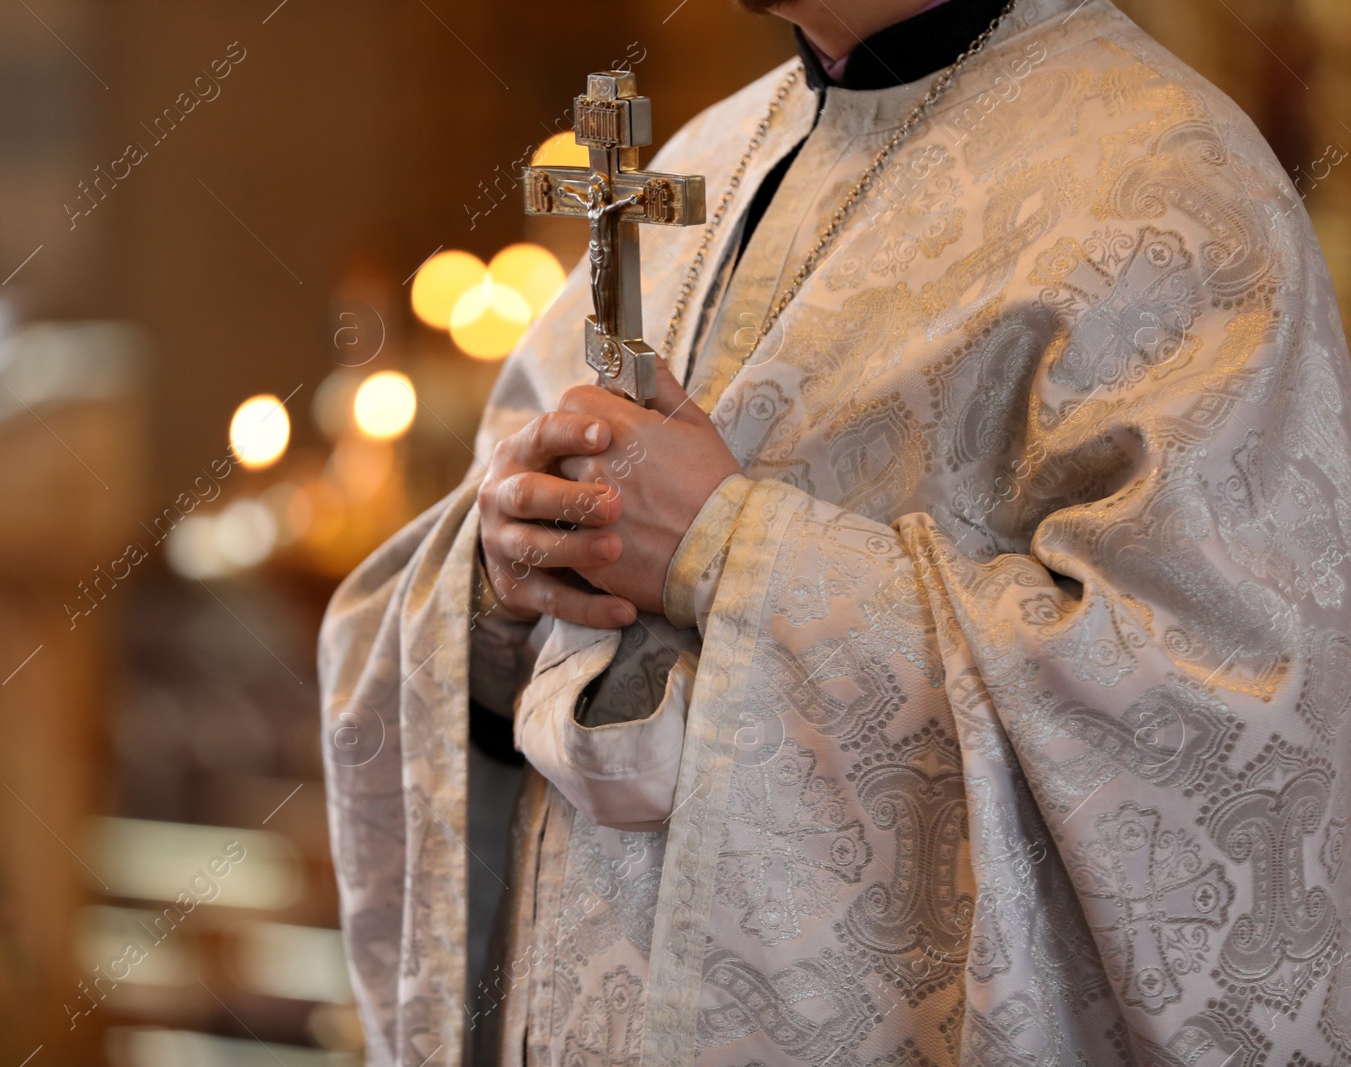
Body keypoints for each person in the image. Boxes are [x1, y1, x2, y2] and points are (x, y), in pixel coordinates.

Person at [321, 0, 1351, 1063]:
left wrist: (728, 549)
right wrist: (503, 573)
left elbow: (1228, 738)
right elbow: (472, 587)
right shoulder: (703, 159)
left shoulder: (1172, 192)